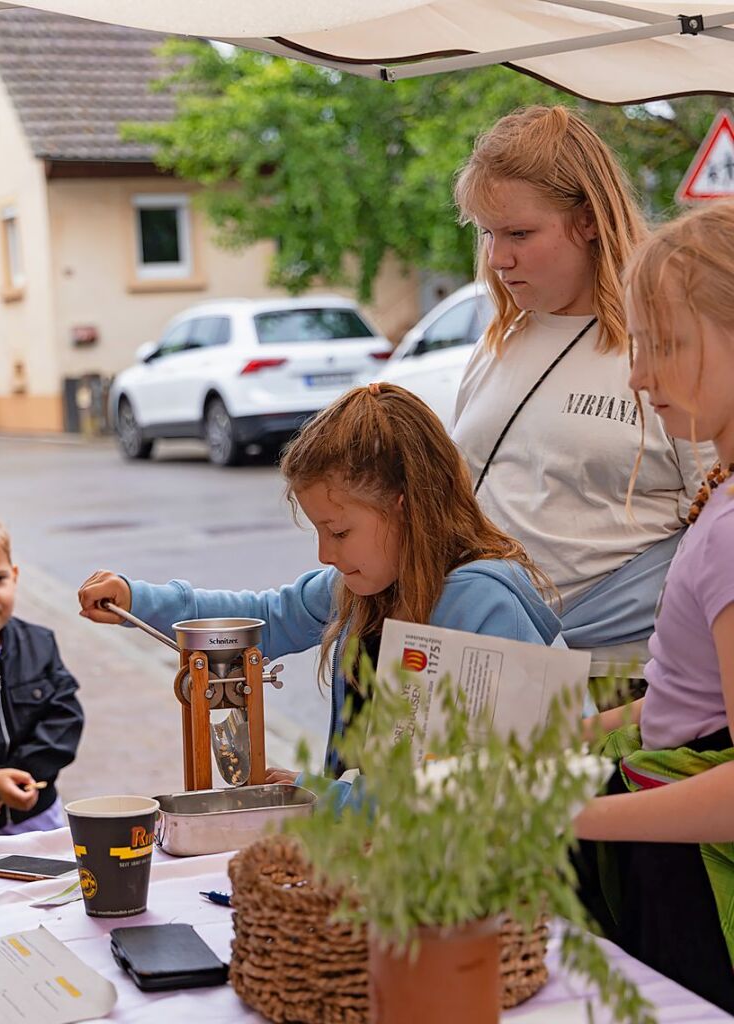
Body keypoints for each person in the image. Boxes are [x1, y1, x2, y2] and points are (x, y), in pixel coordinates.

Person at [78, 383, 563, 781]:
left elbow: (480, 786)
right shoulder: (357, 588)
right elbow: (262, 619)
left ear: (406, 505)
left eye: (339, 531)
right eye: (318, 531)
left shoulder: (482, 605)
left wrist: (313, 801)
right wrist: (137, 600)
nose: (325, 554)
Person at [451, 105, 715, 675]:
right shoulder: (500, 341)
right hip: (481, 665)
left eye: (520, 233)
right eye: (488, 234)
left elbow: (719, 518)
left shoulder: (670, 342)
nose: (498, 259)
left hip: (616, 684)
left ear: (589, 218)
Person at [572, 201, 734, 1013]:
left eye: (664, 345)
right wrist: (583, 733)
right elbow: (691, 703)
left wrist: (570, 815)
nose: (638, 376)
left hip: (699, 881)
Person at [0, 506, 83, 836]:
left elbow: (65, 718)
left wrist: (19, 773)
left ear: (14, 576)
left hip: (38, 816)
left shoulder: (39, 643)